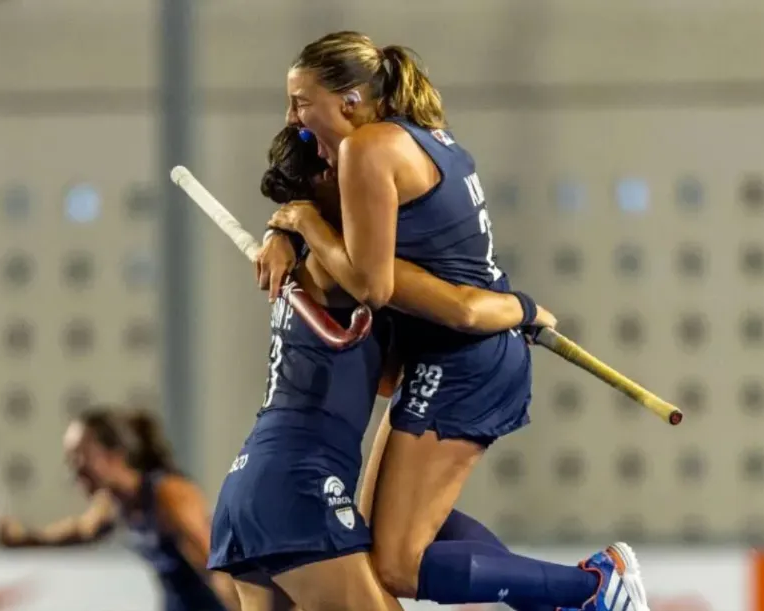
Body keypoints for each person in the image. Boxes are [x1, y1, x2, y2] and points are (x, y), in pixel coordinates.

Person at [263, 31, 649, 611]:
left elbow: (373, 284)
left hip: (467, 359)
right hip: (464, 351)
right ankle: (579, 594)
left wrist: (300, 223)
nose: (293, 119)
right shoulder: (421, 138)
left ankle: (593, 589)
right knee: (381, 537)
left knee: (396, 565)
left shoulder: (367, 149)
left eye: (301, 101)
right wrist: (283, 229)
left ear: (348, 100)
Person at [206, 127, 557, 611]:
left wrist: (287, 229)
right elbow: (464, 309)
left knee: (402, 521)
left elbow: (387, 379)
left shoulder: (310, 260)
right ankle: (583, 589)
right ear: (330, 176)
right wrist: (526, 310)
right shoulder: (344, 268)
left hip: (249, 485)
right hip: (300, 488)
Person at [0, 408, 265, 611]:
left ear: (114, 455)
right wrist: (27, 538)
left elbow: (216, 566)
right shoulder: (115, 500)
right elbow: (82, 531)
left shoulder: (168, 496)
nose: (73, 470)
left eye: (80, 455)